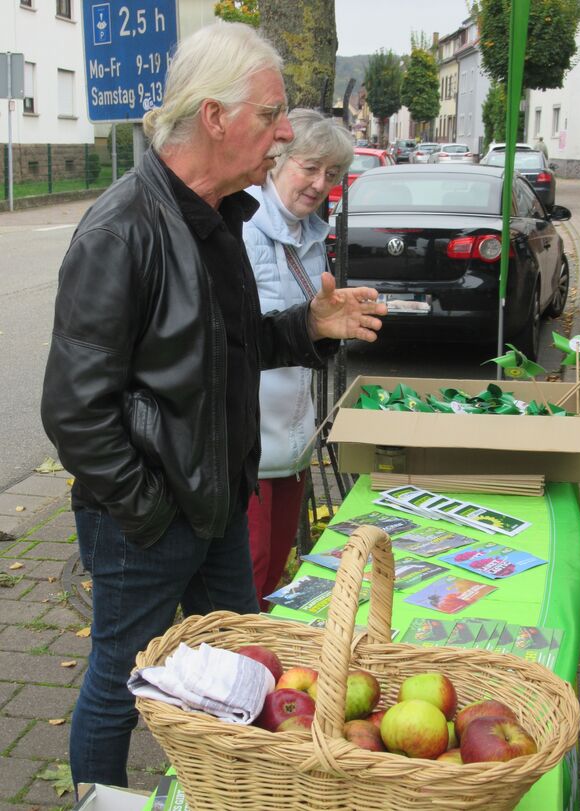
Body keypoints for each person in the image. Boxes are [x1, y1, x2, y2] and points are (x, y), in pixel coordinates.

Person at [40, 21, 385, 791]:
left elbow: (222, 353)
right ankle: (100, 802)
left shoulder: (218, 217)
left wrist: (306, 326)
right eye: (271, 115)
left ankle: (228, 789)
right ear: (214, 117)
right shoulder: (122, 228)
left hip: (221, 504)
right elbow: (73, 410)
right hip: (149, 518)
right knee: (118, 682)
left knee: (245, 671)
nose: (286, 133)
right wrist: (150, 510)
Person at [243, 109, 354, 610]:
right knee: (249, 569)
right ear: (279, 159)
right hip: (245, 441)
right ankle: (237, 670)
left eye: (331, 175)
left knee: (276, 565)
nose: (318, 184)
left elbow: (303, 326)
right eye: (310, 167)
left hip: (291, 436)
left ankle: (266, 667)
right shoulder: (242, 225)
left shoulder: (312, 234)